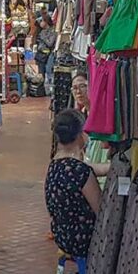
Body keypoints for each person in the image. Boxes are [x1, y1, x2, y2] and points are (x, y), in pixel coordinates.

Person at [44, 109, 111, 258]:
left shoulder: (56, 164)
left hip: (62, 236)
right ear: (81, 135)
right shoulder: (81, 171)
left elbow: (92, 168)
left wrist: (111, 168)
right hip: (81, 241)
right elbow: (101, 209)